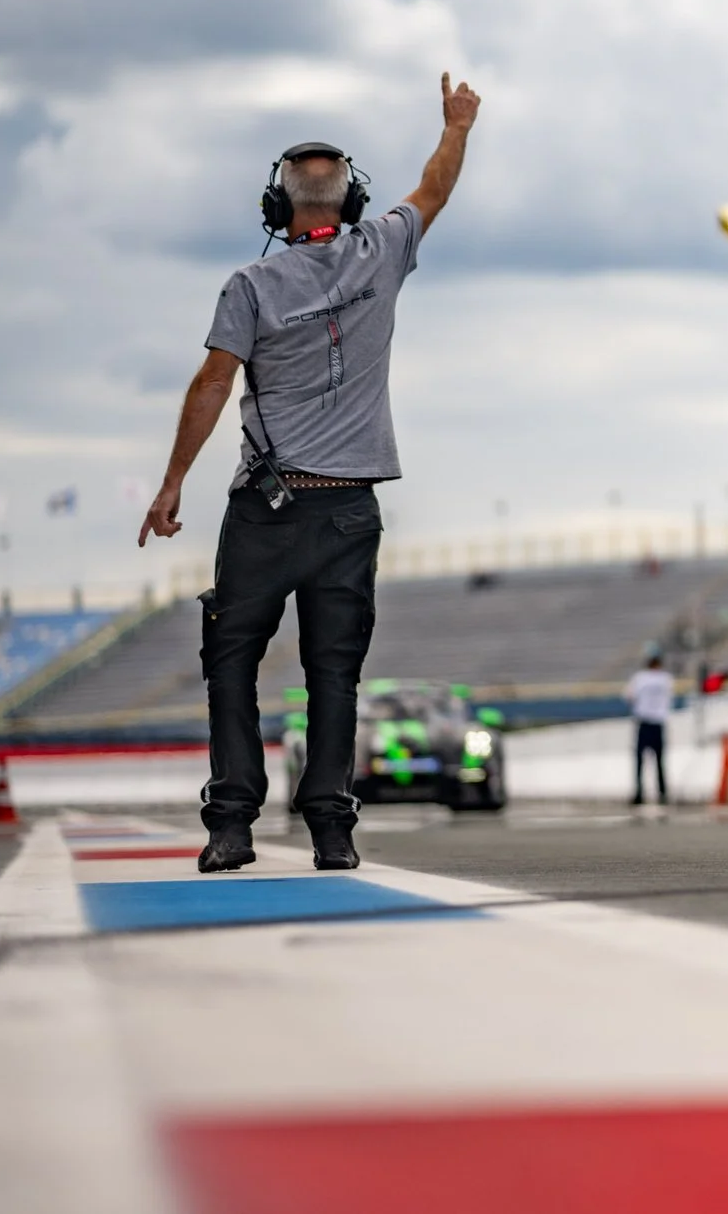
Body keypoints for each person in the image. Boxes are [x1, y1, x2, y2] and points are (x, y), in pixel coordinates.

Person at [138, 75, 480, 874]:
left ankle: (231, 825)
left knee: (231, 660)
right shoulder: (384, 247)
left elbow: (214, 383)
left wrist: (171, 482)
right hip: (349, 509)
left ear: (277, 207)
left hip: (265, 508)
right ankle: (332, 828)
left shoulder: (250, 284)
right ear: (351, 200)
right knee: (335, 672)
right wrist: (458, 123)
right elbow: (435, 185)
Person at [626, 650, 673, 806]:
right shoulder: (666, 678)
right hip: (658, 722)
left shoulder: (640, 678)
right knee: (660, 761)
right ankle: (662, 793)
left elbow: (630, 697)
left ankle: (639, 793)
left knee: (640, 761)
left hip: (644, 722)